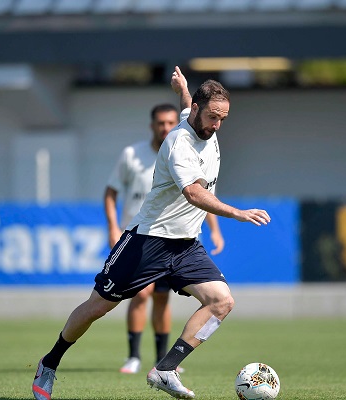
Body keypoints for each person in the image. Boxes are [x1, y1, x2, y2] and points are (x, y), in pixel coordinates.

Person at [32, 66, 270, 400]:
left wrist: (183, 90)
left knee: (221, 301)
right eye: (213, 117)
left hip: (186, 245)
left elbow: (190, 105)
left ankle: (166, 368)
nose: (217, 126)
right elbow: (194, 193)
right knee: (96, 308)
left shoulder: (200, 120)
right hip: (148, 241)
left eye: (223, 120)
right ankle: (49, 363)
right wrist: (236, 213)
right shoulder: (178, 143)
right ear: (200, 111)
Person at [104, 103, 225, 374]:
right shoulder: (132, 154)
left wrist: (215, 229)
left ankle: (162, 360)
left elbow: (201, 197)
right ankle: (134, 356)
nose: (166, 127)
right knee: (140, 295)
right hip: (142, 237)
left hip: (172, 238)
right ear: (152, 125)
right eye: (160, 123)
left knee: (161, 299)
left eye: (171, 122)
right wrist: (113, 227)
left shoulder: (187, 149)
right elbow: (110, 192)